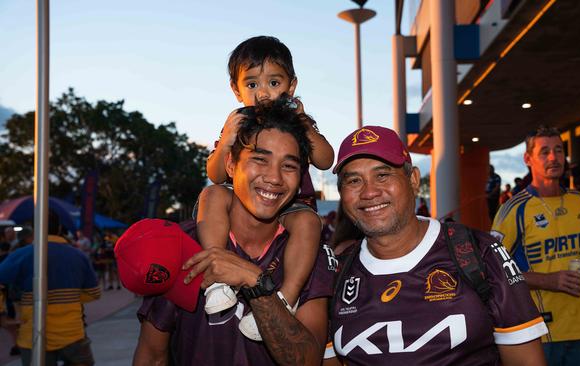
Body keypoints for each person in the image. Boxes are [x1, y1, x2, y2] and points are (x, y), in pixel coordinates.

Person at [130, 101, 335, 365]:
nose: (274, 177)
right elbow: (152, 356)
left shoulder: (306, 252)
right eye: (260, 159)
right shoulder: (182, 245)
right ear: (230, 165)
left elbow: (306, 360)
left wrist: (256, 282)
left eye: (289, 166)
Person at [324, 126, 547, 365]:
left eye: (383, 175)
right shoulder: (333, 275)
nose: (369, 192)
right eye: (354, 180)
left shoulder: (479, 253)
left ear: (413, 179)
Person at [197, 35, 334, 340]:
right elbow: (216, 173)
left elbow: (326, 160)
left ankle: (286, 297)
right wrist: (227, 141)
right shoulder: (238, 121)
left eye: (274, 83)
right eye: (252, 84)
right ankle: (217, 272)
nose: (263, 94)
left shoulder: (296, 120)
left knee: (309, 221)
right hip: (245, 202)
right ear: (236, 89)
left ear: (292, 86)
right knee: (212, 194)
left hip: (292, 203)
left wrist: (305, 124)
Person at [491, 125, 580, 366]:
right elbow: (492, 272)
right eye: (544, 152)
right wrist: (548, 281)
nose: (554, 157)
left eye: (558, 150)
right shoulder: (513, 210)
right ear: (528, 159)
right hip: (538, 333)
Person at [0, 212, 100, 366]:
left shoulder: (22, 255)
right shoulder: (78, 256)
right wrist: (68, 296)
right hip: (72, 334)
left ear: (34, 229)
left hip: (34, 335)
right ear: (59, 228)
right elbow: (94, 293)